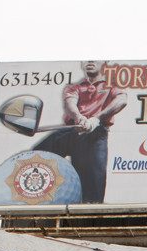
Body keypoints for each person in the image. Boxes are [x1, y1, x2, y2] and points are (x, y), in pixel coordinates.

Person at [32, 60, 128, 204]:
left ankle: (91, 208)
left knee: (93, 191)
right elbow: (70, 104)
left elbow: (122, 100)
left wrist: (96, 118)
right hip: (72, 129)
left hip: (96, 133)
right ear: (82, 64)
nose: (90, 61)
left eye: (95, 58)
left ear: (105, 62)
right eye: (87, 59)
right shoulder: (74, 87)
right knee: (35, 155)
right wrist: (78, 117)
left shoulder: (111, 85)